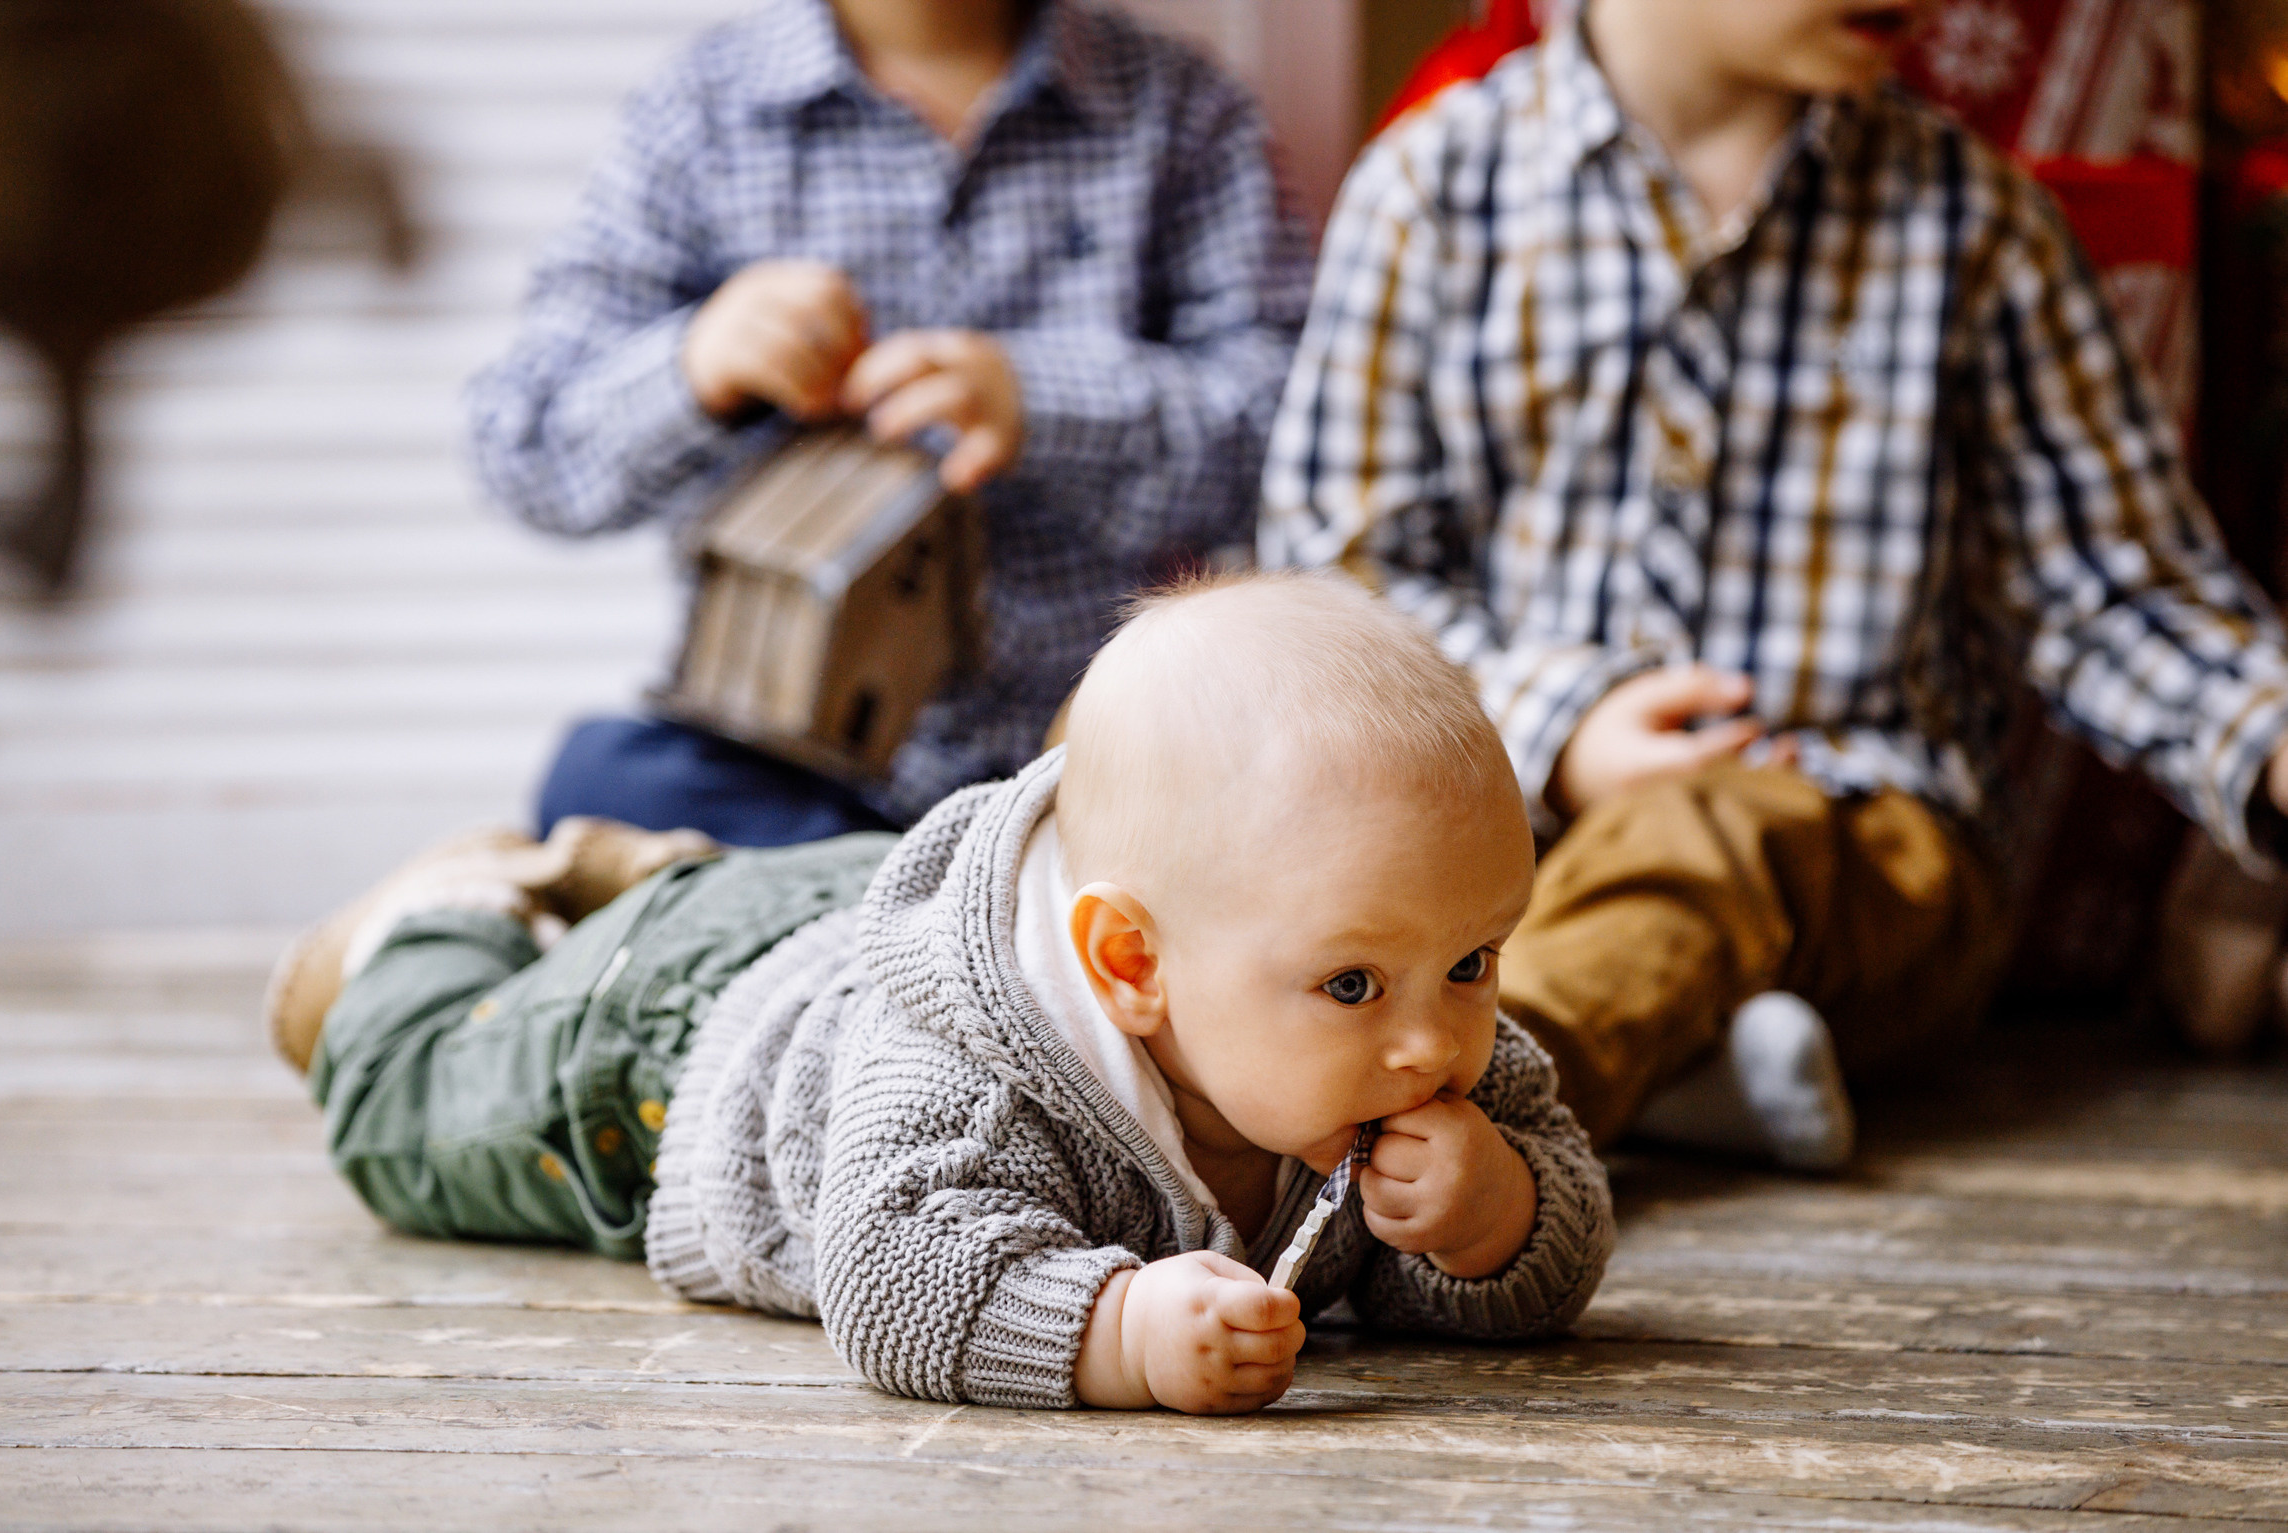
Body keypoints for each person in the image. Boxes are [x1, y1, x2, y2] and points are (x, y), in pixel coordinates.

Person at [1261, 0, 2288, 1169]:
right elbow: (1336, 583)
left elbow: (2112, 585)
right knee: (1190, 770)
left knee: (1705, 841)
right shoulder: (1431, 190)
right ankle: (1690, 1067)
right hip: (1502, 850)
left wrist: (2264, 735)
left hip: (1862, 843)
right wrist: (1559, 724)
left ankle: (1462, 1135)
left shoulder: (1970, 221)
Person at [261, 573, 1613, 1415]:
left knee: (732, 892)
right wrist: (1115, 1332)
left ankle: (642, 871)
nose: (1435, 1036)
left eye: (1476, 960)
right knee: (406, 1114)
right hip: (665, 1050)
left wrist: (1498, 1216)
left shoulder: (1405, 1038)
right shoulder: (969, 1082)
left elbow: (1555, 1189)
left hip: (834, 904)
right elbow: (887, 1268)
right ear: (1133, 968)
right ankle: (445, 918)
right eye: (1355, 982)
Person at [467, 0, 1312, 846]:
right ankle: (952, 906)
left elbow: (1294, 437)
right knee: (603, 778)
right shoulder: (702, 115)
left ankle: (917, 904)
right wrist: (692, 366)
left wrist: (1042, 402)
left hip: (1094, 740)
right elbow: (524, 448)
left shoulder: (1181, 108)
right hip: (786, 760)